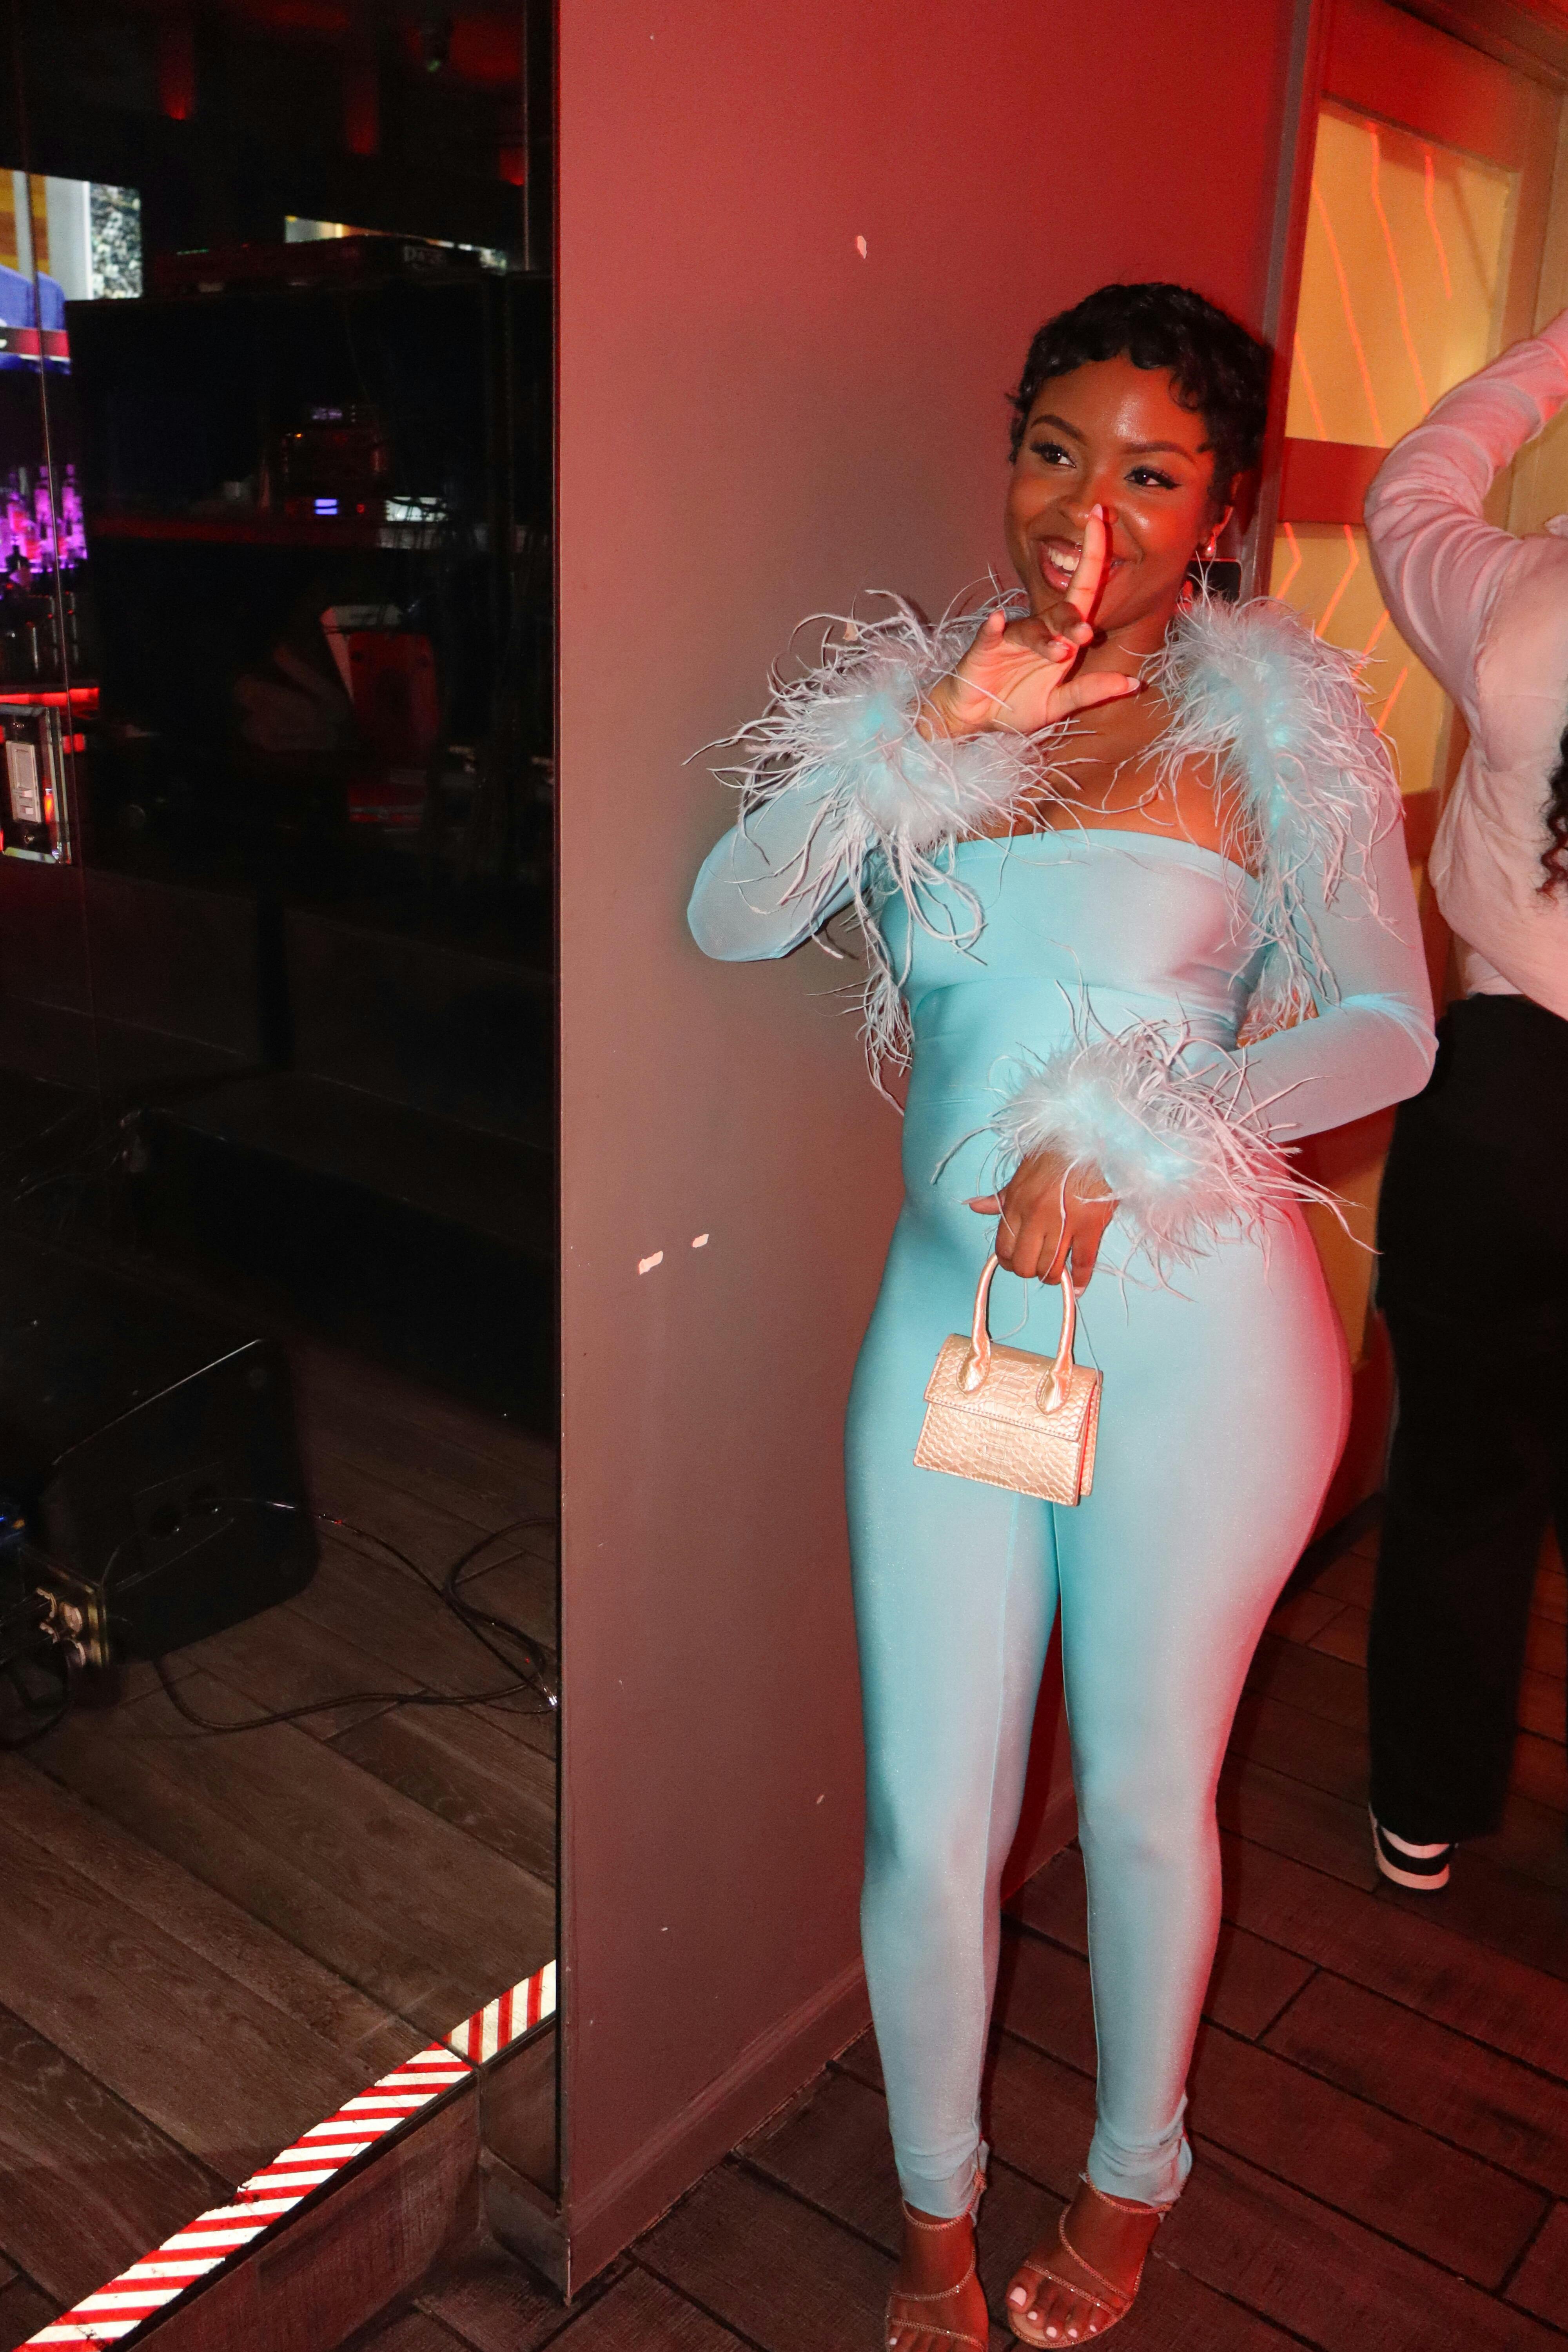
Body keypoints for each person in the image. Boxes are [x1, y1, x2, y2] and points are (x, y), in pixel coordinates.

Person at [689, 282, 1435, 2348]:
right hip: (957, 1339)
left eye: (1151, 472)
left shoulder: (1275, 729)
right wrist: (938, 733)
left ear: (1225, 509)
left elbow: (1388, 1029)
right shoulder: (935, 703)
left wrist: (1140, 1131)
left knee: (1134, 1797)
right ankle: (932, 2213)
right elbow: (732, 915)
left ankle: (1133, 2177)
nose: (1083, 510)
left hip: (1201, 1345)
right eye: (1051, 449)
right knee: (928, 1822)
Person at [1363, 310, 1568, 1894]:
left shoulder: (1517, 600)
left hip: (1503, 1101)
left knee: (1460, 1470)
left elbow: (1409, 487)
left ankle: (1424, 1809)